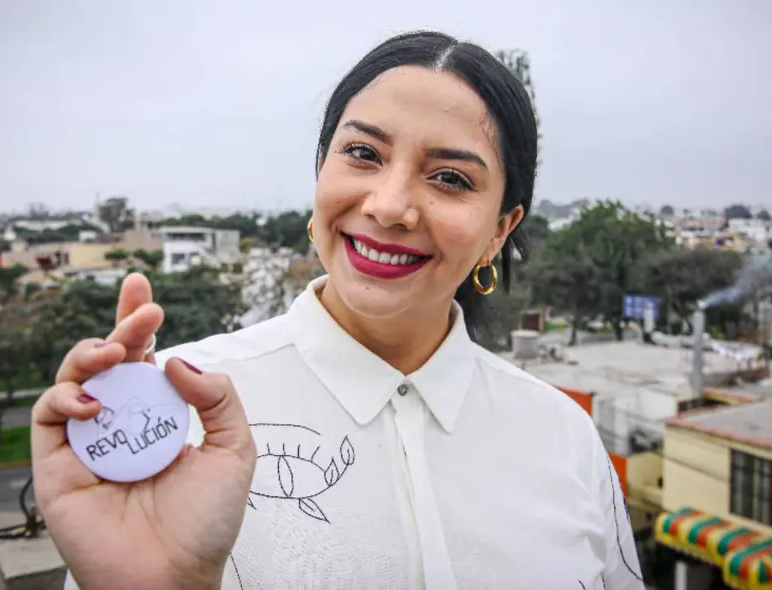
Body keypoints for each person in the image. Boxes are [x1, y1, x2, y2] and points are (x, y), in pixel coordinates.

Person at [33, 30, 645, 590]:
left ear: (500, 230)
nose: (389, 205)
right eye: (363, 153)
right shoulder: (176, 413)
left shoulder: (563, 437)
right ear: (320, 171)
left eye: (451, 178)